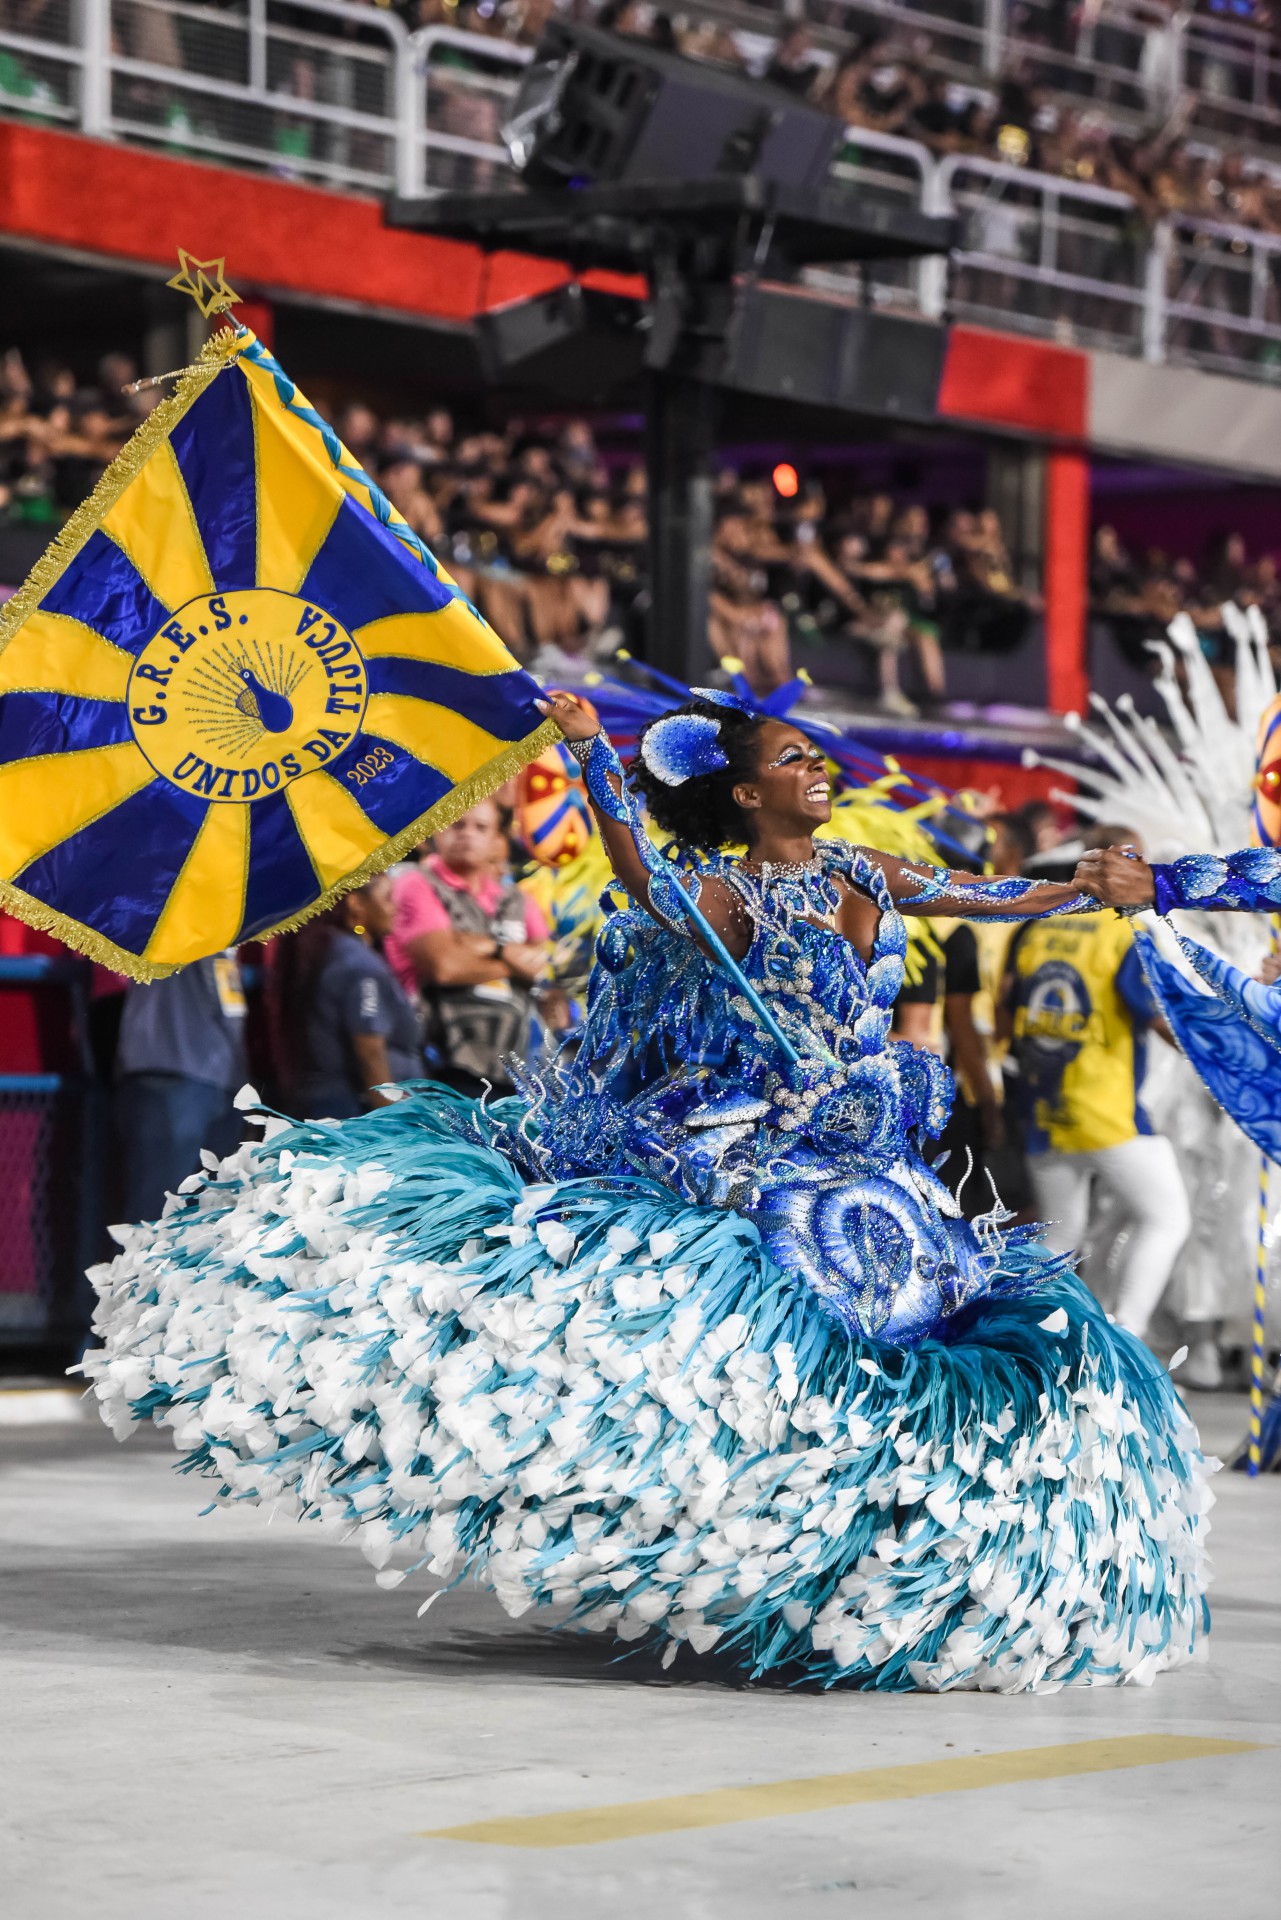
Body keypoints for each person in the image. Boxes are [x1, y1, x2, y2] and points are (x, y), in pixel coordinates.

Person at [89, 690, 1258, 1694]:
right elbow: (649, 884)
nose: (819, 769)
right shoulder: (728, 894)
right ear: (746, 797)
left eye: (817, 754)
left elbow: (982, 896)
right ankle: (736, 1560)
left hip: (877, 1174)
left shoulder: (866, 871)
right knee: (776, 1370)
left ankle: (874, 1577)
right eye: (794, 758)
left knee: (912, 1358)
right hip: (769, 1167)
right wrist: (599, 763)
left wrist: (1085, 890)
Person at [999, 832, 1191, 1342]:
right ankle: (1124, 1335)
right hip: (1106, 1109)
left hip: (1045, 1105)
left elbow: (1007, 1009)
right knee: (1168, 1217)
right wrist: (1223, 1055)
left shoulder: (1040, 925)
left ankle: (1025, 1341)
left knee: (1060, 1235)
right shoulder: (1124, 931)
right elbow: (1154, 1015)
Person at [386, 800, 551, 1097]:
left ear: (496, 840)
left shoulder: (515, 899)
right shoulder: (417, 883)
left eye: (481, 827)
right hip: (438, 1067)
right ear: (437, 831)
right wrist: (509, 954)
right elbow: (445, 968)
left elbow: (544, 964)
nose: (467, 834)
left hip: (511, 1068)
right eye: (457, 824)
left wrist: (476, 947)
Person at [269, 877, 422, 1121]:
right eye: (387, 898)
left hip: (323, 1101)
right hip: (349, 1111)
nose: (396, 907)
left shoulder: (331, 949)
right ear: (356, 904)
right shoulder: (359, 964)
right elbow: (370, 1052)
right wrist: (393, 1116)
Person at [115, 952, 248, 1222]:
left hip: (178, 1076)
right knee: (164, 1215)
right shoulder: (205, 926)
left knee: (183, 1215)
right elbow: (229, 1007)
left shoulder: (161, 926)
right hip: (186, 1078)